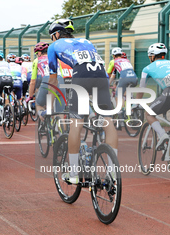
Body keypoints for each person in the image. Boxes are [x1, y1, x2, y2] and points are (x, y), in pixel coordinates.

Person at [47, 19, 118, 184]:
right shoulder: (86, 41)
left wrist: (50, 104)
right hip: (101, 74)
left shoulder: (53, 46)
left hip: (81, 74)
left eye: (52, 36)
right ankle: (113, 173)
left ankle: (73, 174)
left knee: (75, 123)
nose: (52, 39)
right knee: (108, 121)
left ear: (56, 34)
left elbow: (53, 78)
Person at [136, 43, 170, 149]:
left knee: (149, 114)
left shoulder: (147, 68)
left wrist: (136, 102)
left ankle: (162, 136)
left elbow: (142, 88)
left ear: (152, 56)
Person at [108, 47, 138, 114]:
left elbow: (112, 75)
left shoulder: (114, 61)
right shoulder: (127, 61)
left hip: (125, 78)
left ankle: (121, 112)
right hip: (135, 78)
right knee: (127, 92)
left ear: (113, 56)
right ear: (121, 55)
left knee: (118, 94)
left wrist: (108, 84)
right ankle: (133, 107)